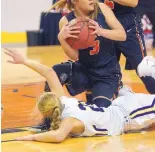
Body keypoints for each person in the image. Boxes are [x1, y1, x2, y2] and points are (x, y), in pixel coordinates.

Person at [4, 48, 155, 143]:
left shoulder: (68, 120)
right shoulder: (65, 102)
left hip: (128, 113)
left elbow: (58, 136)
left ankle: (149, 70)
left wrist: (30, 137)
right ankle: (125, 90)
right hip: (122, 108)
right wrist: (24, 61)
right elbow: (49, 73)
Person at [45, 0, 126, 108]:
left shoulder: (102, 9)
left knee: (100, 111)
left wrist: (101, 31)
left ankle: (114, 89)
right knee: (55, 72)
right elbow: (75, 56)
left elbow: (122, 34)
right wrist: (61, 38)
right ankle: (50, 118)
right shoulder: (66, 21)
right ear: (74, 0)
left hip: (107, 74)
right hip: (84, 70)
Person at [91, 0, 155, 94]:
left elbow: (133, 1)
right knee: (107, 72)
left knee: (143, 69)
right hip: (106, 25)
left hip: (128, 25)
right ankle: (110, 104)